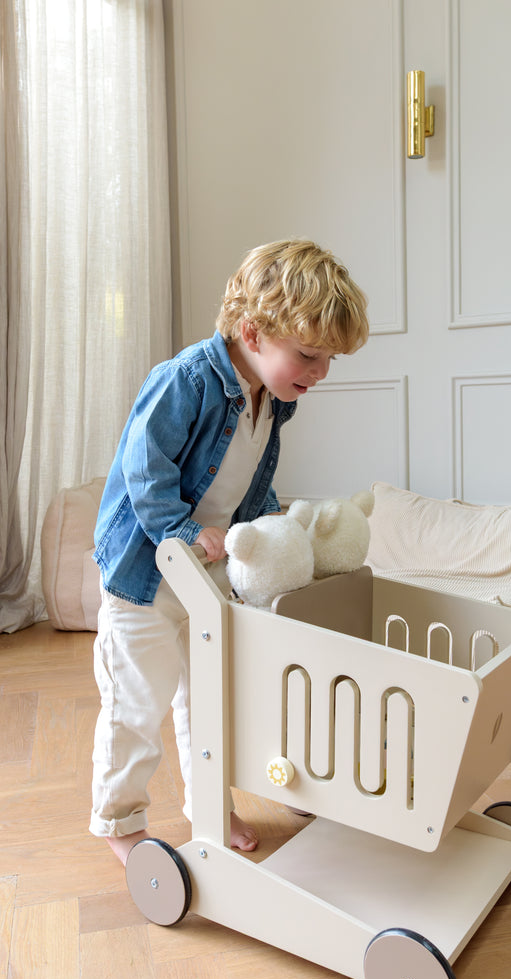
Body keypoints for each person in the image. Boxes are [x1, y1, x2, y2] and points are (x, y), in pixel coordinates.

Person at [89, 239, 369, 864]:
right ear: (253, 331)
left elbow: (248, 480)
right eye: (309, 355)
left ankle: (208, 804)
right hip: (147, 579)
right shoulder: (184, 381)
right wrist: (184, 532)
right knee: (138, 703)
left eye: (328, 359)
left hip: (208, 579)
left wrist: (271, 526)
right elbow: (145, 468)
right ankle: (120, 819)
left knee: (207, 700)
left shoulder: (274, 401)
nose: (319, 372)